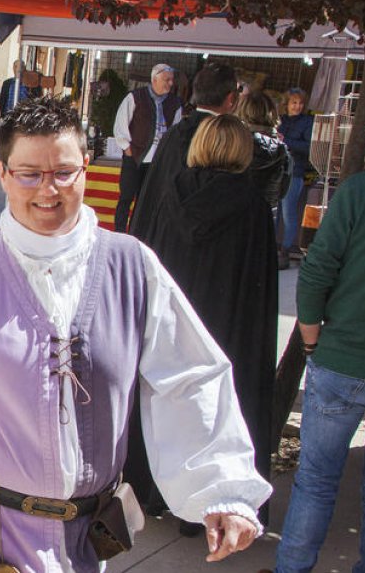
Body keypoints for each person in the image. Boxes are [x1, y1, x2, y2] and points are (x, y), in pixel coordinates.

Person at [0, 97, 270, 572]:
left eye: (63, 172)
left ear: (85, 167)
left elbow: (190, 377)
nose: (48, 189)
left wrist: (222, 488)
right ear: (3, 174)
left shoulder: (132, 266)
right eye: (29, 174)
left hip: (85, 538)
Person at [273, 93, 365, 573]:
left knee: (317, 481)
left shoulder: (361, 191)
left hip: (344, 361)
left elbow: (316, 273)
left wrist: (312, 339)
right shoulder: (363, 190)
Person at [137, 114, 278, 524]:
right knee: (220, 411)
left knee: (167, 405)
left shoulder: (169, 194)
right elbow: (260, 283)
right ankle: (217, 497)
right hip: (228, 324)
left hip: (175, 323)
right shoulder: (252, 206)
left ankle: (156, 492)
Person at [128, 61, 238, 241]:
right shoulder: (221, 139)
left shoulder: (174, 132)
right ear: (231, 99)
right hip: (189, 241)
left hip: (155, 235)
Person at [112, 64, 184, 234]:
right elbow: (121, 124)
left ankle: (138, 234)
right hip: (135, 157)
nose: (170, 83)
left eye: (171, 80)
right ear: (154, 79)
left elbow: (176, 131)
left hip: (157, 162)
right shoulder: (135, 97)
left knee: (145, 201)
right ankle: (120, 233)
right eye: (167, 79)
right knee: (126, 197)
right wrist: (127, 149)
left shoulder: (175, 103)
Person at [233, 91, 291, 219]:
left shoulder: (233, 142)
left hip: (232, 216)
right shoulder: (282, 150)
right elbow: (282, 191)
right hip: (264, 218)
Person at [278, 87, 314, 263]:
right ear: (287, 104)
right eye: (294, 102)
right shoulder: (281, 120)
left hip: (295, 171)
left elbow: (308, 147)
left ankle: (285, 251)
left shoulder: (307, 122)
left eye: (300, 103)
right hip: (278, 169)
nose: (297, 106)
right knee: (277, 212)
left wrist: (285, 140)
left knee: (288, 212)